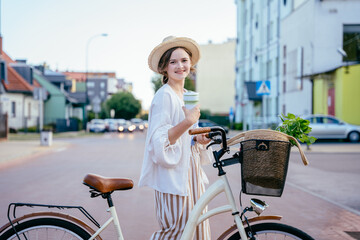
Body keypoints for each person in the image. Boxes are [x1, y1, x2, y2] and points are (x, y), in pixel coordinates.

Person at [139, 36, 213, 240]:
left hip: (191, 172)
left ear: (191, 63)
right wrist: (187, 122)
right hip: (173, 176)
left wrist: (198, 139)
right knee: (176, 232)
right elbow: (159, 141)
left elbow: (189, 135)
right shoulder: (164, 96)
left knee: (196, 228)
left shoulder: (189, 95)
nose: (180, 66)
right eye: (173, 62)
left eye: (184, 60)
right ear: (164, 67)